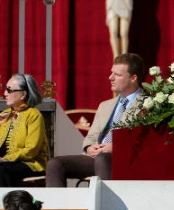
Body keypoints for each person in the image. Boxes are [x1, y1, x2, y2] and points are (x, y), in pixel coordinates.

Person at [46, 53, 145, 186]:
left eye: (118, 75)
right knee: (55, 164)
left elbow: (146, 141)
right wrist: (89, 148)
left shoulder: (147, 103)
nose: (111, 78)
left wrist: (116, 147)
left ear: (133, 78)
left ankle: (105, 205)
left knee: (103, 159)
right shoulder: (105, 105)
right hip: (97, 156)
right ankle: (59, 206)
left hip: (125, 158)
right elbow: (90, 136)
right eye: (112, 73)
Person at [0, 74, 48, 187]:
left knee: (1, 172)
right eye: (5, 89)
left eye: (9, 90)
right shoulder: (3, 115)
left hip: (28, 163)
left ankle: (3, 204)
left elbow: (31, 150)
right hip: (3, 163)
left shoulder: (34, 115)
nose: (5, 93)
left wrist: (5, 159)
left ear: (23, 94)